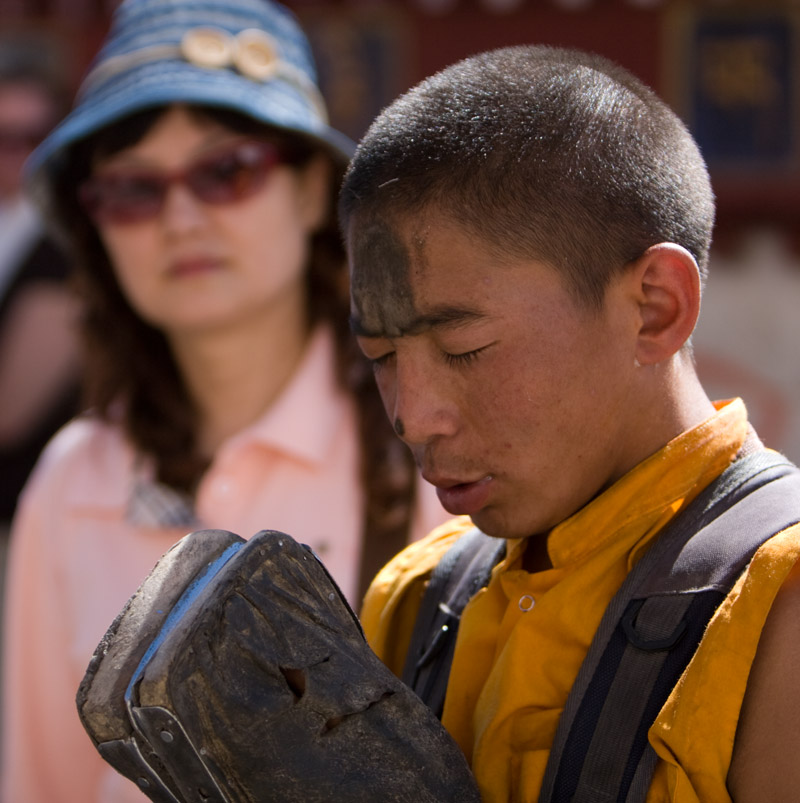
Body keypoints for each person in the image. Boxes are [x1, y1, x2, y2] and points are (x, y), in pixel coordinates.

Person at [0, 0, 447, 801]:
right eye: (133, 189)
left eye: (226, 170)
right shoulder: (73, 482)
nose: (180, 217)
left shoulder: (433, 442)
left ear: (314, 190)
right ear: (93, 222)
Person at [338, 46, 800, 802]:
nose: (412, 415)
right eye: (382, 355)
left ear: (655, 307)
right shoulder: (417, 599)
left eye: (466, 347)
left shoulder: (775, 604)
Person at [0, 37, 81, 533]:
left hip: (21, 515)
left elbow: (10, 411)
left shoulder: (64, 248)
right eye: (2, 138)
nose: (16, 156)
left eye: (33, 137)